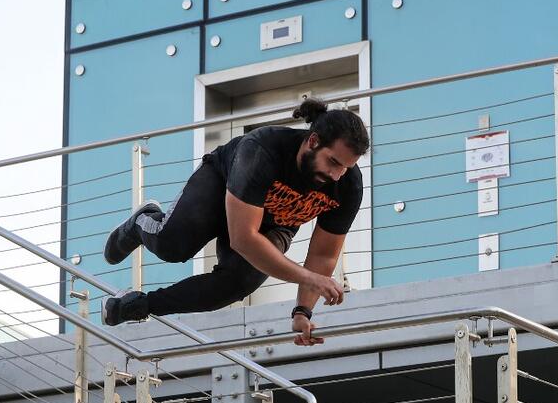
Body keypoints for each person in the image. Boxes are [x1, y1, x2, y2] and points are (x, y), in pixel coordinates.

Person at [101, 98, 369, 346]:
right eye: (332, 162)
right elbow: (243, 239)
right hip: (220, 189)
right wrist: (311, 278)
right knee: (172, 246)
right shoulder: (263, 149)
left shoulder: (348, 186)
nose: (336, 175)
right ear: (313, 141)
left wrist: (302, 311)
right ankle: (141, 222)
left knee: (237, 284)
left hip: (274, 224)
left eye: (345, 167)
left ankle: (137, 305)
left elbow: (322, 255)